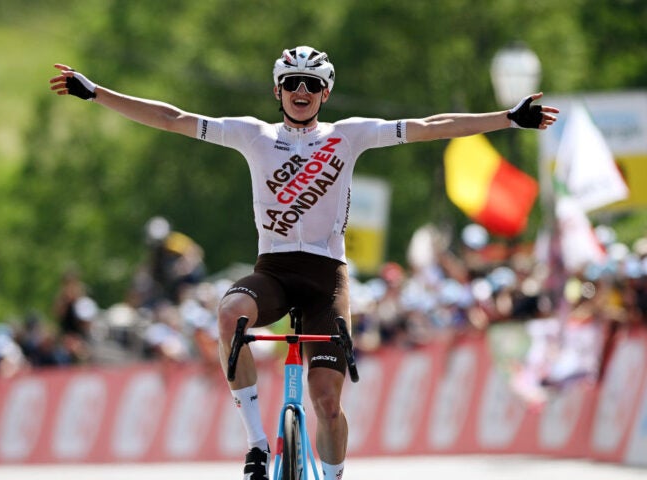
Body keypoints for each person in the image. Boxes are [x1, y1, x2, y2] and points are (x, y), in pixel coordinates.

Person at [50, 46, 559, 480]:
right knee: (230, 315)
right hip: (272, 272)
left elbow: (431, 127)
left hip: (326, 280)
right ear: (277, 90)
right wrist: (97, 92)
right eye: (291, 82)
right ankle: (256, 444)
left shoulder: (350, 134)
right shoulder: (252, 134)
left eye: (311, 84)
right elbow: (171, 117)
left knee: (327, 403)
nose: (301, 90)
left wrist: (507, 118)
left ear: (325, 94)